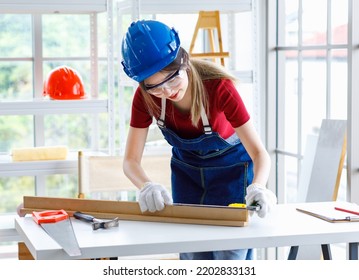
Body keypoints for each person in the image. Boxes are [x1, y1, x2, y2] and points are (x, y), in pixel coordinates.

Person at [121, 19, 277, 260]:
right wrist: (146, 185)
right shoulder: (145, 99)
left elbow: (259, 154)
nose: (168, 91)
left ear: (184, 61)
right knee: (193, 254)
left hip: (231, 174)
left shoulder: (219, 89)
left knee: (230, 257)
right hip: (188, 176)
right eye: (155, 87)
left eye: (172, 79)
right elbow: (130, 161)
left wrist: (258, 186)